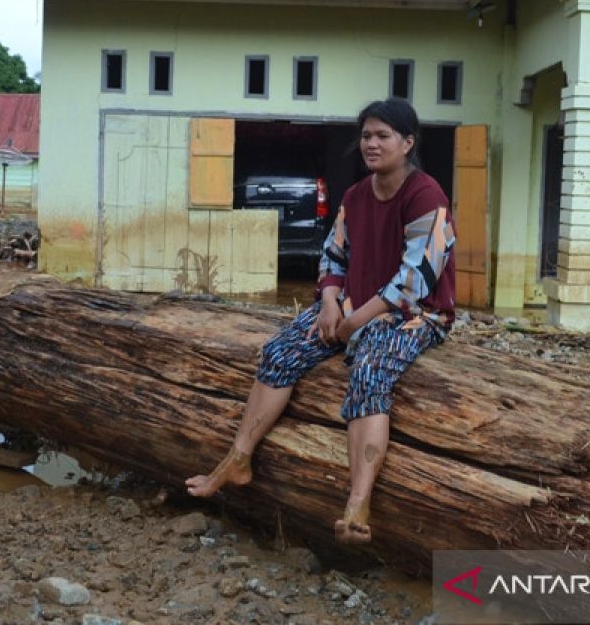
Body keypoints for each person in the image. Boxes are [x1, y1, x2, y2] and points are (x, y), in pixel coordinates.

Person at [185, 98, 456, 545]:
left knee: (369, 370)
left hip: (414, 314)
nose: (371, 143)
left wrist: (354, 323)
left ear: (407, 143)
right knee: (280, 352)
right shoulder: (354, 195)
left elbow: (415, 279)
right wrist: (331, 303)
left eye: (383, 136)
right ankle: (237, 458)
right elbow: (333, 254)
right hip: (352, 306)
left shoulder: (426, 195)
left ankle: (357, 504)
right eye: (366, 135)